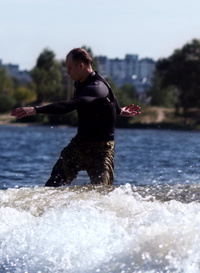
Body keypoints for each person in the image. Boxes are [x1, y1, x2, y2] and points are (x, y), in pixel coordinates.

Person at [10, 47, 141, 187]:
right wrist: (120, 110)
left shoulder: (97, 86)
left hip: (102, 151)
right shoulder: (80, 82)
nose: (68, 72)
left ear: (81, 66)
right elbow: (111, 97)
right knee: (52, 186)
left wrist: (35, 109)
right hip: (79, 145)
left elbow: (70, 105)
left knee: (101, 195)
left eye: (70, 68)